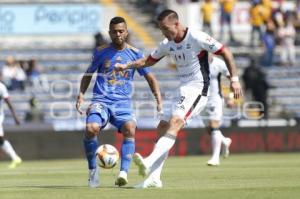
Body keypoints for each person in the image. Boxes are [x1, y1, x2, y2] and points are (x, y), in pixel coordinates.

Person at [115, 9, 242, 188]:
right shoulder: (168, 43)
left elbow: (225, 52)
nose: (164, 33)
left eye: (166, 29)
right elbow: (148, 61)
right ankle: (154, 178)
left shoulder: (197, 37)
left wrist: (234, 81)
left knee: (175, 121)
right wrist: (126, 66)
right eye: (161, 30)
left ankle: (150, 161)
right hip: (182, 89)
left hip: (199, 89)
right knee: (162, 126)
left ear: (177, 24)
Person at [75, 16, 162, 188]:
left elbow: (150, 78)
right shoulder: (100, 52)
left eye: (121, 31)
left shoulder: (136, 54)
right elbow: (88, 74)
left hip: (123, 104)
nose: (118, 34)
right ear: (109, 33)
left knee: (130, 128)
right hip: (101, 100)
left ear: (126, 32)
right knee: (91, 128)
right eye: (114, 32)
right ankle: (93, 172)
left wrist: (158, 98)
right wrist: (81, 95)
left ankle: (123, 174)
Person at [203, 55, 233, 166]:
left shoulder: (219, 63)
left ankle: (215, 158)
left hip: (214, 99)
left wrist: (230, 97)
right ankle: (225, 141)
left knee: (214, 125)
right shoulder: (196, 61)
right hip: (201, 99)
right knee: (209, 129)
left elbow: (232, 78)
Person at [0, 80, 22, 169]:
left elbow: (8, 102)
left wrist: (15, 116)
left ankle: (15, 158)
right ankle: (15, 158)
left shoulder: (1, 87)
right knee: (0, 140)